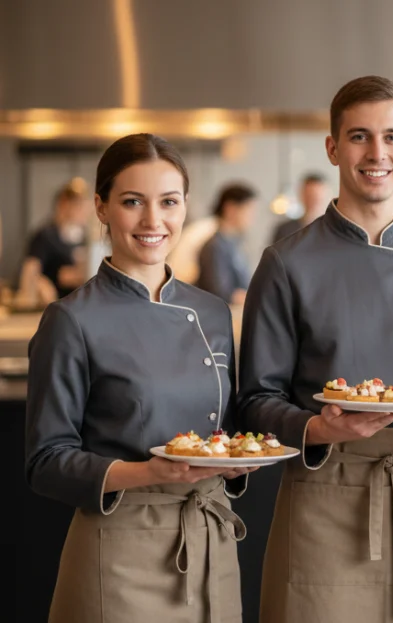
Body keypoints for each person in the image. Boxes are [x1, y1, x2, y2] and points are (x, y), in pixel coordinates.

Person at [238, 75, 393, 623]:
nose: (378, 153)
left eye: (392, 137)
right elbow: (255, 398)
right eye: (359, 137)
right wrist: (320, 429)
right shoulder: (286, 264)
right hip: (326, 494)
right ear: (332, 147)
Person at [25, 133, 254, 623]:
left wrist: (236, 462)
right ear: (101, 207)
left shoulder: (213, 313)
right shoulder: (71, 320)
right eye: (133, 202)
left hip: (211, 546)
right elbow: (46, 460)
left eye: (168, 202)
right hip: (120, 551)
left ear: (186, 207)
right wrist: (149, 472)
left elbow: (223, 433)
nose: (154, 221)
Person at [17, 181, 90, 304]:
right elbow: (30, 271)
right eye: (76, 204)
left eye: (83, 204)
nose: (82, 210)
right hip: (53, 305)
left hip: (78, 304)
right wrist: (39, 284)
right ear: (62, 204)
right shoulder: (46, 235)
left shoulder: (85, 237)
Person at [196, 182, 257, 305]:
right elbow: (219, 292)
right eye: (249, 210)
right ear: (230, 209)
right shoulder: (215, 246)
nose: (253, 217)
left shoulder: (236, 243)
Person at [271, 172, 331, 242]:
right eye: (310, 196)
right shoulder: (285, 230)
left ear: (327, 197)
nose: (314, 201)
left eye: (317, 197)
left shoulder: (335, 231)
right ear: (301, 195)